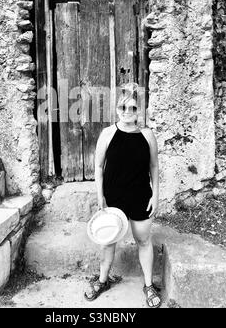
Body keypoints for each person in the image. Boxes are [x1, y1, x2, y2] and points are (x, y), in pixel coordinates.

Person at [84, 82, 161, 308]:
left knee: (144, 240)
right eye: (123, 108)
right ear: (116, 109)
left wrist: (155, 195)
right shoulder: (107, 134)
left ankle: (148, 285)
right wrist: (100, 195)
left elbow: (154, 167)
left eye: (133, 108)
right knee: (108, 242)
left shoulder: (148, 135)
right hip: (113, 197)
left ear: (140, 111)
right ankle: (102, 280)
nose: (128, 112)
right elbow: (98, 167)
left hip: (140, 195)